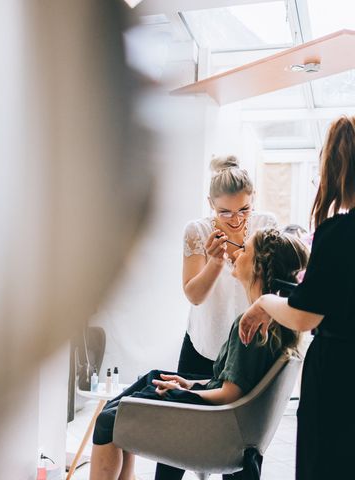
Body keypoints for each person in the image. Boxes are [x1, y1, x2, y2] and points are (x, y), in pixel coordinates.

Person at [89, 228, 308, 480]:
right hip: (224, 420)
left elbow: (230, 393)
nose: (237, 253)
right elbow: (235, 384)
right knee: (151, 380)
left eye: (245, 249)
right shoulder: (277, 326)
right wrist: (189, 383)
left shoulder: (250, 326)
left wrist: (186, 392)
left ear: (259, 267)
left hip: (214, 425)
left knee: (109, 421)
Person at [239, 116, 355, 480]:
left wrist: (263, 304)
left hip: (339, 376)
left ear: (334, 167)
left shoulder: (338, 233)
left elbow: (306, 316)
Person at [154, 156, 277, 479]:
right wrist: (215, 261)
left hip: (248, 351)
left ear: (254, 199)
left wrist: (242, 257)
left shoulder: (267, 226)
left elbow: (267, 296)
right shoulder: (196, 230)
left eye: (244, 209)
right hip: (202, 343)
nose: (235, 220)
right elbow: (194, 295)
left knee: (239, 443)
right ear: (210, 204)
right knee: (176, 435)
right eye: (224, 212)